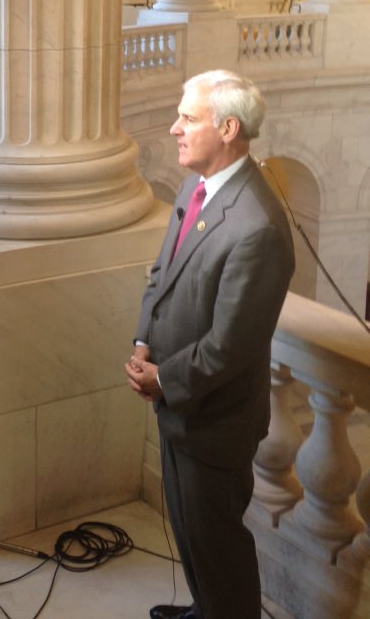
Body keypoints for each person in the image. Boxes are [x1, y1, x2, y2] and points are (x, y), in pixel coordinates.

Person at [126, 70, 294, 619]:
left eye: (187, 118)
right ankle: (206, 610)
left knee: (219, 550)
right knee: (191, 535)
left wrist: (162, 379)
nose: (174, 128)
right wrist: (144, 341)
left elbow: (229, 347)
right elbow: (162, 273)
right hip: (178, 405)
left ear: (228, 128)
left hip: (215, 419)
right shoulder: (196, 187)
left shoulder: (258, 227)